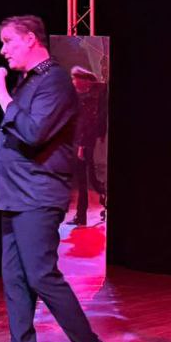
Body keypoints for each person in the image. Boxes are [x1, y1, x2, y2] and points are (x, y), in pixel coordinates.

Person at [0, 15, 115, 342]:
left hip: (38, 195)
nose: (2, 50)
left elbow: (34, 133)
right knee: (16, 281)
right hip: (15, 195)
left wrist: (1, 96)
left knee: (42, 277)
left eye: (8, 41)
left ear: (31, 39)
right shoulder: (28, 81)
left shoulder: (55, 81)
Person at [69, 66, 108, 226]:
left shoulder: (89, 98)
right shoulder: (94, 94)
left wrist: (81, 146)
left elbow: (88, 123)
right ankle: (82, 214)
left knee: (85, 180)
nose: (72, 81)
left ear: (82, 79)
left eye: (74, 78)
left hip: (87, 144)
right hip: (88, 142)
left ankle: (81, 216)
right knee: (89, 178)